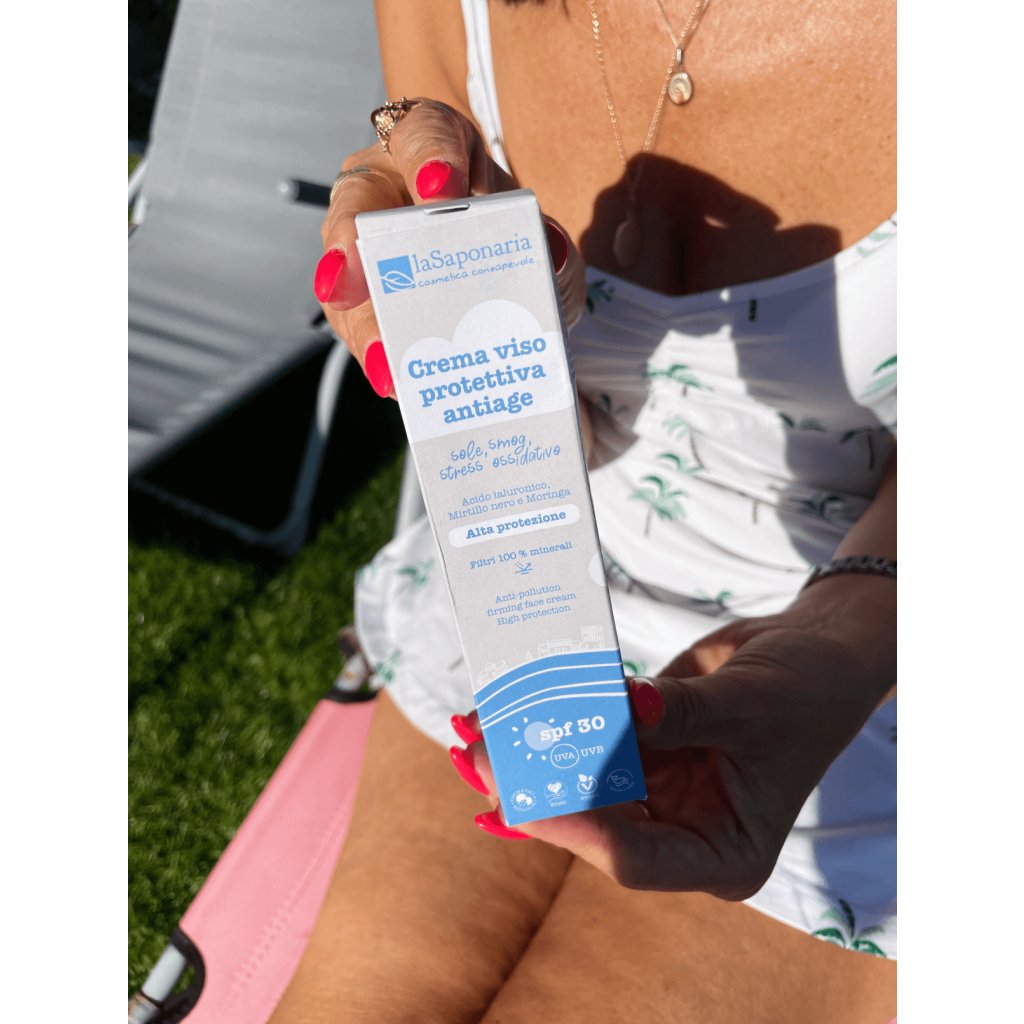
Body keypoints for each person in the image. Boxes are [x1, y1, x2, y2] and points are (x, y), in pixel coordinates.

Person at [271, 0, 896, 1020]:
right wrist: (474, 347)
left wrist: (845, 641)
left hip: (876, 652)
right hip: (528, 598)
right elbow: (548, 424)